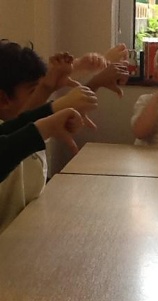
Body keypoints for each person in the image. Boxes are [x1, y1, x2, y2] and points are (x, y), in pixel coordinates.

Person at [0, 40, 98, 233]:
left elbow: (23, 122)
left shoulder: (18, 128)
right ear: (3, 99)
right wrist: (52, 112)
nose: (40, 96)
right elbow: (12, 142)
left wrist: (50, 94)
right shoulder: (13, 139)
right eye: (33, 91)